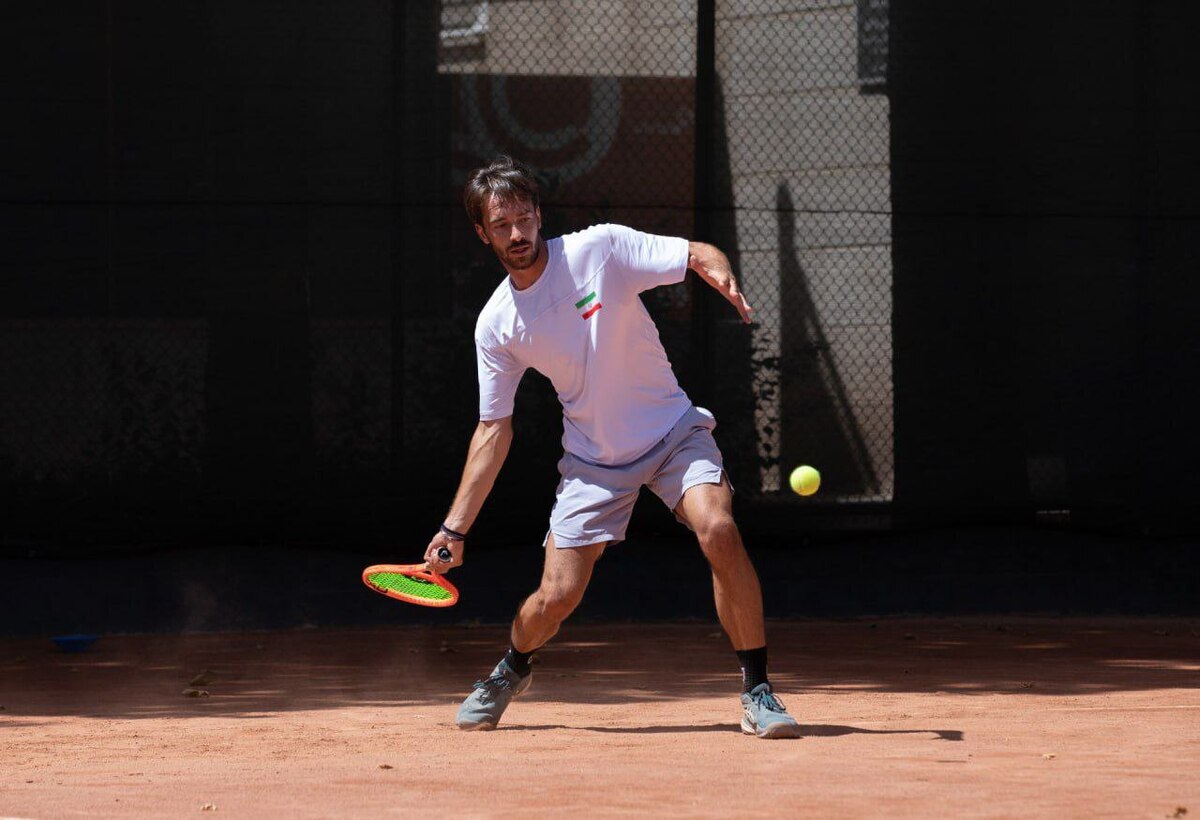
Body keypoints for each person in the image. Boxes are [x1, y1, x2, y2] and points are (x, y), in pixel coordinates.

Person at [423, 155, 799, 739]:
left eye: (524, 217)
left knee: (719, 529)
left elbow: (696, 252)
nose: (517, 233)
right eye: (501, 225)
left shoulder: (599, 250)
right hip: (593, 462)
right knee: (555, 598)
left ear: (539, 213)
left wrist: (720, 274)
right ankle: (511, 668)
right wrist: (455, 529)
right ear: (483, 233)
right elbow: (493, 429)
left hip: (673, 433)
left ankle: (757, 690)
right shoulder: (497, 323)